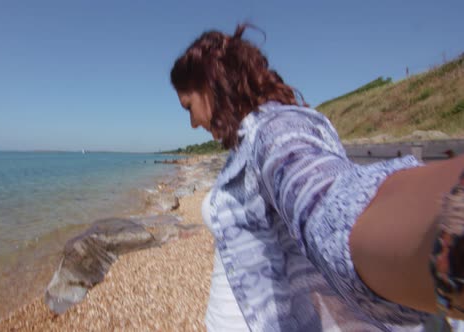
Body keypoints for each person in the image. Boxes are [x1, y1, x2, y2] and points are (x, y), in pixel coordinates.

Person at [170, 24, 464, 331]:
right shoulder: (250, 138)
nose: (192, 123)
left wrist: (447, 236)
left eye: (189, 107)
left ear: (210, 84)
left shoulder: (277, 129)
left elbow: (327, 204)